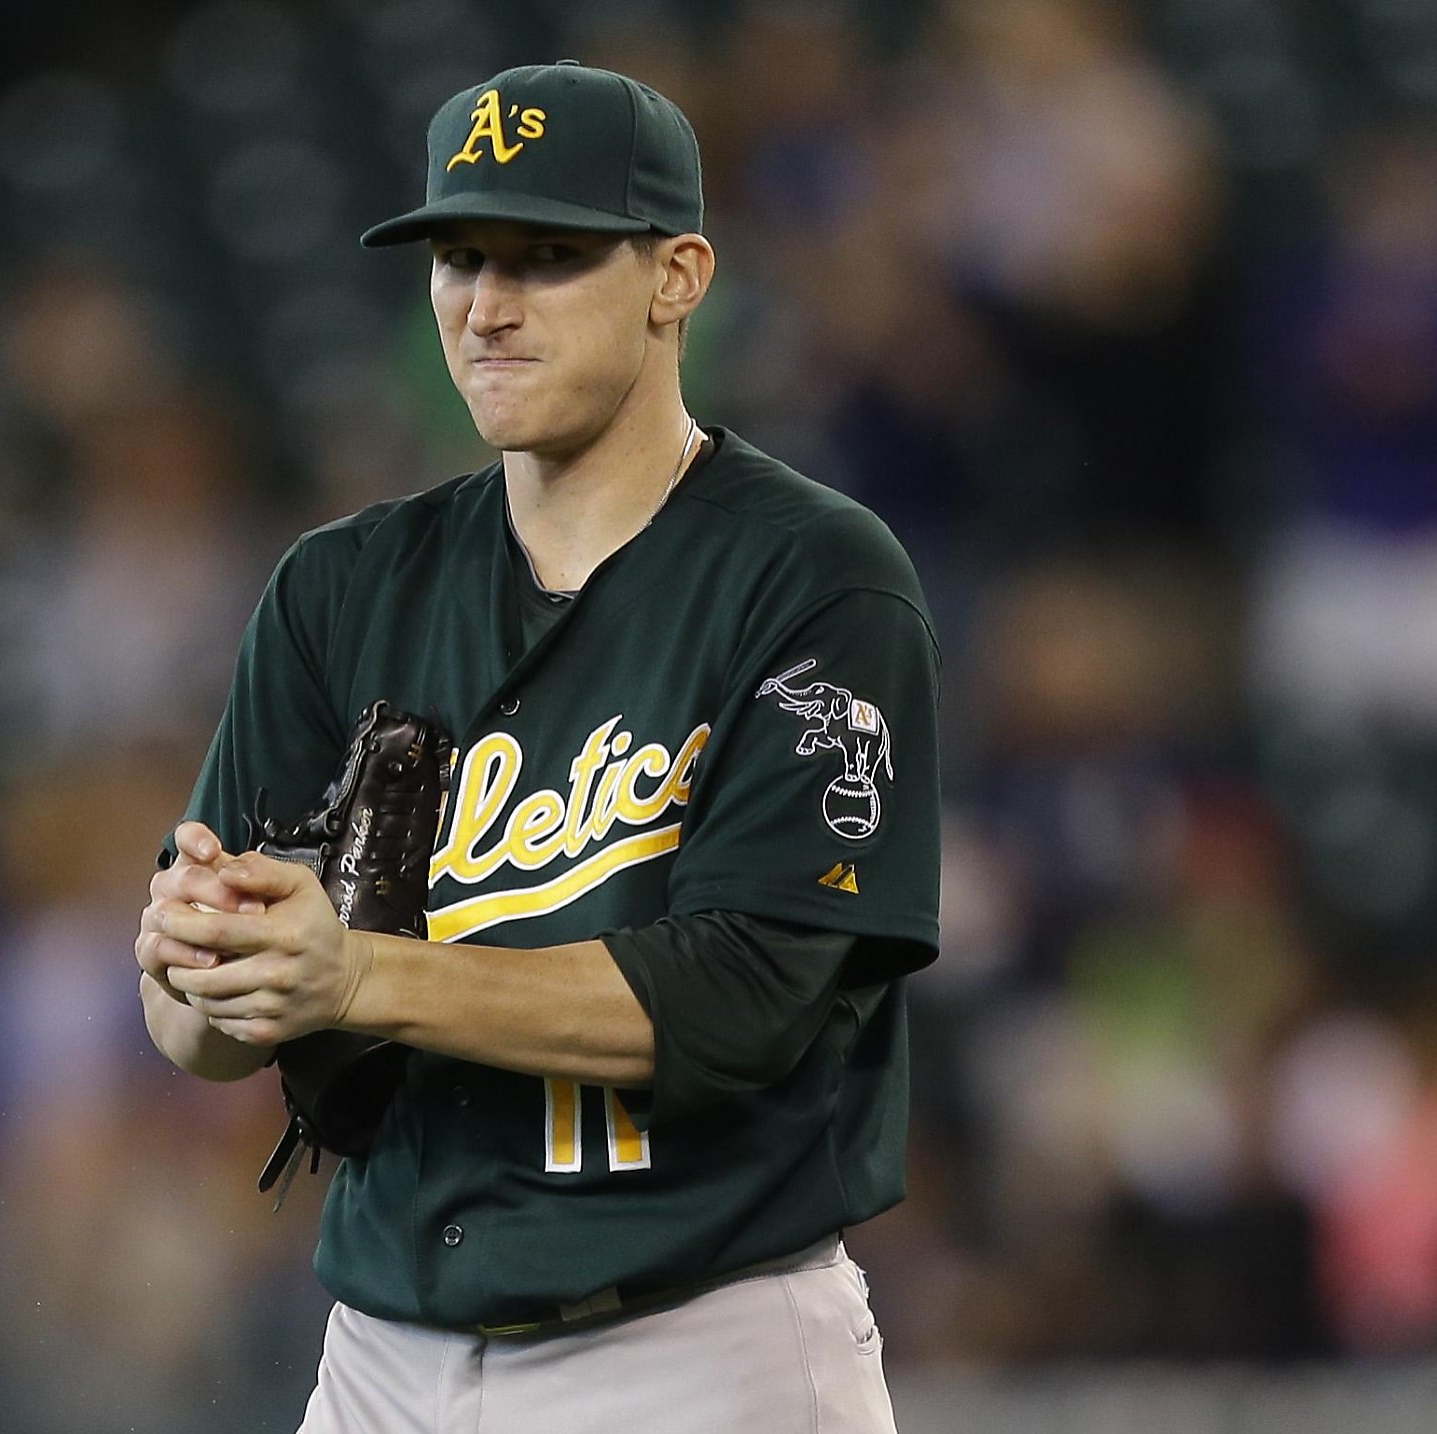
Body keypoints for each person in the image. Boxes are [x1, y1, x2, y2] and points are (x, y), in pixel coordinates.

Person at [136, 60, 938, 1433]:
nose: (485, 304)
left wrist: (357, 973)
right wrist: (214, 964)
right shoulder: (341, 589)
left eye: (548, 256)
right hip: (384, 1350)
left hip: (696, 1341)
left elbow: (746, 996)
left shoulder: (811, 576)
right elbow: (189, 1034)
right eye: (459, 254)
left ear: (678, 275)